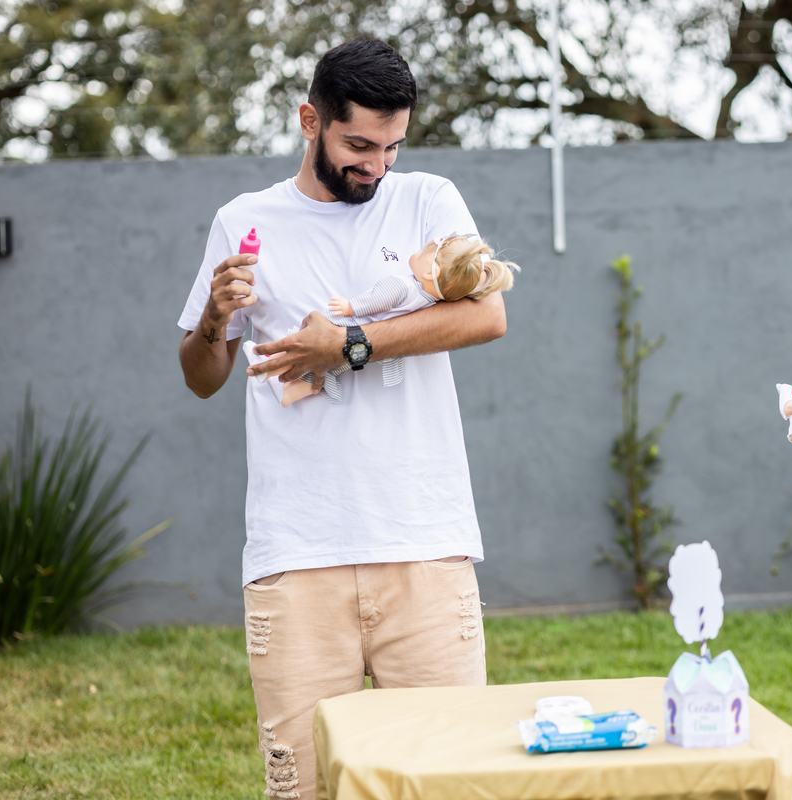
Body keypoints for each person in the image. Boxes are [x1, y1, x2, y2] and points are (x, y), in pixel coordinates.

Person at [177, 38, 506, 800]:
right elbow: (201, 378)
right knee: (306, 787)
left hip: (424, 541)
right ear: (308, 120)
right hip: (296, 554)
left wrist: (349, 344)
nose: (377, 166)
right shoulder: (243, 222)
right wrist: (211, 322)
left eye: (393, 145)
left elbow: (486, 315)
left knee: (447, 781)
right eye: (358, 144)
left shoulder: (428, 200)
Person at [246, 233, 519, 406]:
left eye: (427, 249)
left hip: (352, 324)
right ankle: (299, 391)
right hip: (371, 352)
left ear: (430, 270)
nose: (421, 249)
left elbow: (375, 299)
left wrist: (349, 305)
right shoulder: (429, 304)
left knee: (302, 339)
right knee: (329, 368)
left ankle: (267, 368)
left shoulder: (401, 286)